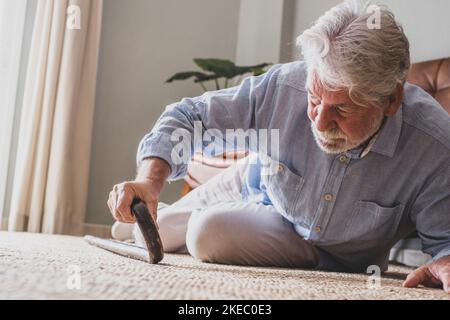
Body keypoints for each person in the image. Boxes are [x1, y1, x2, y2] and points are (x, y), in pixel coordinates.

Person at [107, 1, 450, 293]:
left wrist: (445, 261)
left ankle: (170, 223)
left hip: (317, 247)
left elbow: (443, 238)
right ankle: (154, 220)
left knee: (206, 233)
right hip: (254, 180)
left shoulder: (433, 144)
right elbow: (189, 116)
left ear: (391, 100)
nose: (319, 121)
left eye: (342, 109)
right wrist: (149, 181)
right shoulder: (285, 85)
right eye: (315, 99)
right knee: (140, 230)